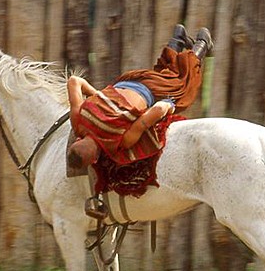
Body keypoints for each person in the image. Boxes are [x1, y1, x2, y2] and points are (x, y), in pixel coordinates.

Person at [67, 25, 213, 170]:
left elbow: (156, 110)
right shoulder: (77, 122)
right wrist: (100, 97)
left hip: (150, 89)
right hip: (127, 80)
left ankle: (202, 43)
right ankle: (178, 38)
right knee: (161, 73)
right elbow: (74, 81)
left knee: (182, 88)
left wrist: (169, 105)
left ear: (94, 159)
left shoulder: (118, 142)